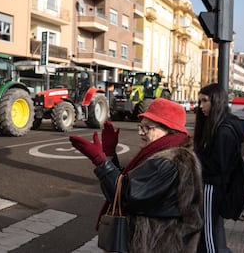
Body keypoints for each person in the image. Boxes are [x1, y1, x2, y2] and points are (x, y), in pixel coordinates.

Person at [70, 98, 203, 252]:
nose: (140, 132)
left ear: (169, 130)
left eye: (148, 127)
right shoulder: (166, 153)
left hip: (156, 245)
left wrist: (101, 162)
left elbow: (126, 194)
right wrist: (110, 155)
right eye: (141, 126)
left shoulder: (169, 161)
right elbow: (132, 184)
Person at [193, 83, 244, 253]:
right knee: (209, 230)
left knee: (207, 234)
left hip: (212, 186)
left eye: (205, 101)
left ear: (216, 101)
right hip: (213, 186)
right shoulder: (219, 125)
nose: (201, 106)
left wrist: (193, 156)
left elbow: (218, 166)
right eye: (200, 101)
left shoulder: (223, 131)